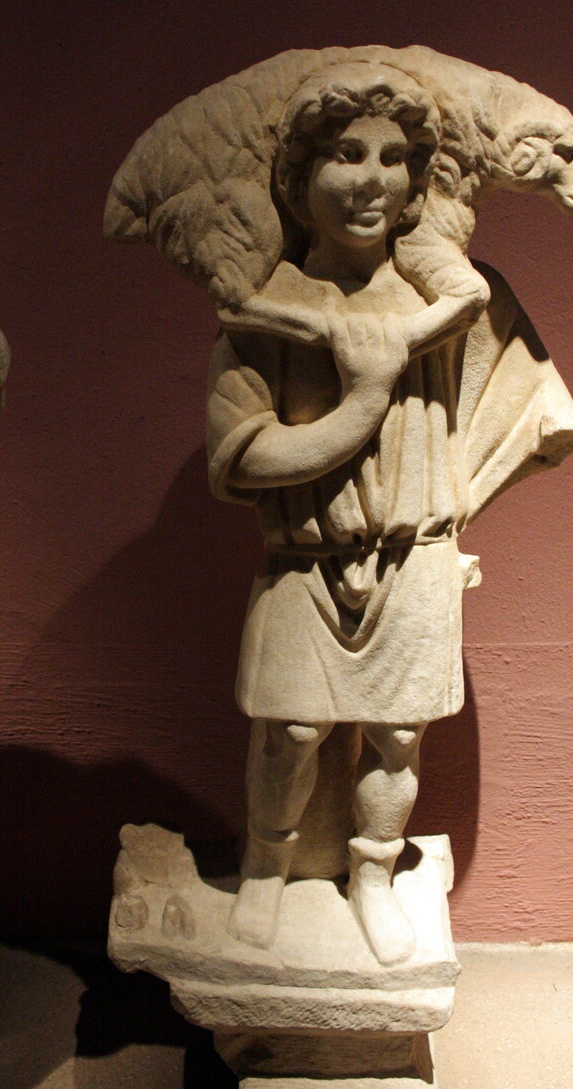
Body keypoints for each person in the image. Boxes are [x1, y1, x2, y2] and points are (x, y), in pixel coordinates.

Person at [206, 69, 476, 965]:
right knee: (288, 732)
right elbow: (243, 460)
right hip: (305, 557)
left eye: (395, 160)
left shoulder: (436, 306)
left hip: (413, 552)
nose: (373, 181)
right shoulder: (266, 310)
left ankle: (373, 875)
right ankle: (266, 866)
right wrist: (362, 401)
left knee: (397, 738)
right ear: (298, 178)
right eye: (347, 154)